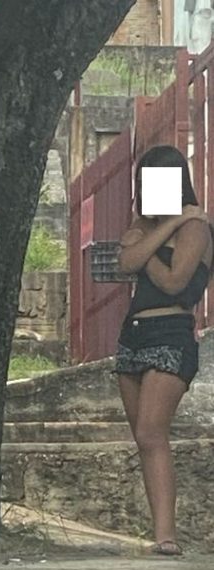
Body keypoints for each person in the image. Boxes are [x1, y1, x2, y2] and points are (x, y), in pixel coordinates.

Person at [115, 145, 212, 557]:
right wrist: (157, 232)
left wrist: (144, 250)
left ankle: (167, 535)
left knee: (154, 432)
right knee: (142, 437)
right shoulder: (155, 221)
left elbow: (174, 282)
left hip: (171, 331)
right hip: (133, 334)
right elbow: (124, 263)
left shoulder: (197, 228)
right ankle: (158, 529)